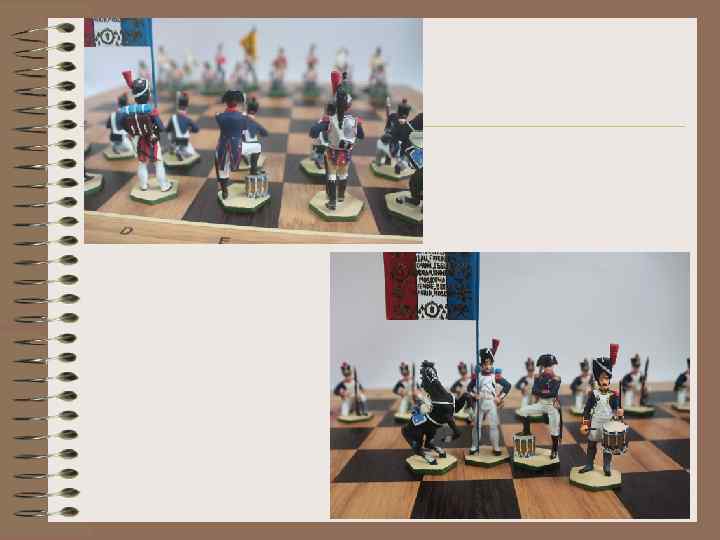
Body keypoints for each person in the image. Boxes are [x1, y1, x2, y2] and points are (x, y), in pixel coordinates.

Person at [309, 71, 365, 210]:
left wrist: (320, 125)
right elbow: (361, 136)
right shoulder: (355, 120)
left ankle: (332, 201)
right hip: (346, 153)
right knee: (343, 174)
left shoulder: (329, 120)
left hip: (332, 152)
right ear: (349, 105)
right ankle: (341, 196)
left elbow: (313, 132)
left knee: (332, 176)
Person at [117, 70, 172, 192]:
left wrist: (129, 131)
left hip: (138, 141)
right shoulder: (151, 109)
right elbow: (161, 127)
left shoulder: (126, 110)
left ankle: (143, 185)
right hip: (152, 140)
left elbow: (119, 123)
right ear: (147, 94)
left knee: (142, 164)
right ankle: (164, 185)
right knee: (158, 163)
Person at [214, 90, 268, 200]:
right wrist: (247, 117)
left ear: (226, 102)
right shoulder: (243, 117)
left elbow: (223, 118)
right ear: (237, 103)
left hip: (222, 147)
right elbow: (245, 128)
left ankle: (224, 191)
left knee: (223, 169)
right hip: (237, 147)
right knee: (257, 147)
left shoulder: (219, 116)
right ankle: (253, 168)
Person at [579, 346, 624, 477]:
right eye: (602, 378)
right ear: (598, 380)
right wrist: (585, 423)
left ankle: (606, 466)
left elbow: (616, 411)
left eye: (607, 378)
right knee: (591, 444)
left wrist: (619, 414)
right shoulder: (593, 394)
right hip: (595, 422)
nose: (605, 381)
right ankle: (589, 464)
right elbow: (587, 410)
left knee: (608, 446)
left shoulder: (613, 395)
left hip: (608, 423)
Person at [468, 341, 511, 456]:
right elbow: (469, 388)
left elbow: (507, 386)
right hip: (480, 402)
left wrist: (500, 397)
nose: (487, 366)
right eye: (485, 364)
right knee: (477, 426)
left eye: (490, 364)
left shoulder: (495, 376)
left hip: (491, 402)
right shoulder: (476, 377)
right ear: (481, 364)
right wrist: (474, 395)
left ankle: (496, 447)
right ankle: (474, 446)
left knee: (494, 426)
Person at [517, 354, 562, 459]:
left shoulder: (557, 378)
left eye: (550, 366)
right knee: (523, 410)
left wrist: (542, 391)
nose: (548, 368)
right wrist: (544, 392)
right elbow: (534, 391)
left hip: (551, 405)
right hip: (541, 404)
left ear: (553, 366)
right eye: (546, 366)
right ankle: (526, 431)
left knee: (554, 428)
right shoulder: (538, 377)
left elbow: (553, 393)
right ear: (542, 367)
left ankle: (554, 449)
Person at [166, 92, 199, 160]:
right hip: (185, 141)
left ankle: (174, 148)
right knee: (192, 152)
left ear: (178, 107)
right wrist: (190, 129)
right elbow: (196, 129)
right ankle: (182, 150)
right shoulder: (188, 119)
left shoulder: (173, 118)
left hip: (175, 140)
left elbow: (167, 130)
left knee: (170, 132)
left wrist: (169, 127)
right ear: (186, 108)